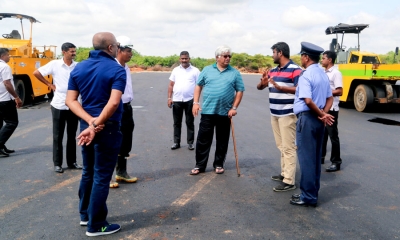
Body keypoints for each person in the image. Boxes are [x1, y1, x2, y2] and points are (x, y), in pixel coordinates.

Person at [65, 32, 125, 237]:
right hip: (106, 127)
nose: (118, 48)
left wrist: (89, 122)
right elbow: (114, 102)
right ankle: (96, 224)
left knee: (88, 172)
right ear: (110, 48)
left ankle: (85, 215)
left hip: (86, 127)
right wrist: (96, 123)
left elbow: (71, 101)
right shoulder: (116, 70)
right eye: (117, 45)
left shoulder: (78, 67)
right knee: (101, 176)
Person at [290, 42, 334, 207]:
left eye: (302, 56)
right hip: (318, 120)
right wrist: (323, 114)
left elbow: (307, 100)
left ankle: (307, 196)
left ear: (306, 57)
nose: (301, 59)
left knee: (307, 159)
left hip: (308, 118)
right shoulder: (323, 74)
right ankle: (311, 193)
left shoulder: (306, 75)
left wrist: (322, 114)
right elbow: (330, 98)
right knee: (315, 159)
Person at [190, 45, 245, 175]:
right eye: (225, 56)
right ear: (217, 57)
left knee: (222, 140)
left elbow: (240, 90)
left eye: (229, 56)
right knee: (203, 140)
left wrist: (234, 108)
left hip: (225, 113)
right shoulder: (207, 70)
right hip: (208, 111)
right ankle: (200, 165)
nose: (228, 58)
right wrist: (195, 103)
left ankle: (219, 164)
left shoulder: (235, 73)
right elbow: (198, 86)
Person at [257, 42, 302, 192]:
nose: (272, 55)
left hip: (287, 114)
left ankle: (289, 181)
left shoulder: (296, 70)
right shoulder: (273, 71)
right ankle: (284, 173)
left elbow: (301, 89)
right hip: (274, 114)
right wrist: (262, 82)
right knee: (281, 146)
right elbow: (260, 87)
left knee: (289, 148)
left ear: (280, 53)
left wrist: (282, 88)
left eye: (273, 52)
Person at [33, 42, 82, 173]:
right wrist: (49, 84)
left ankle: (72, 162)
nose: (74, 53)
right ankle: (57, 164)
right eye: (71, 51)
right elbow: (36, 72)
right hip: (59, 104)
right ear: (64, 52)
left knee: (72, 135)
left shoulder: (77, 66)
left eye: (74, 51)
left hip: (74, 105)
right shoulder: (55, 64)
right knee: (57, 136)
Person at [109, 36, 138, 188]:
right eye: (128, 51)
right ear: (119, 50)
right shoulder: (112, 66)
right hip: (114, 108)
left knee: (126, 141)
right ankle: (107, 177)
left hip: (127, 107)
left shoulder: (126, 67)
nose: (130, 54)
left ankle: (121, 172)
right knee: (111, 141)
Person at [167, 51, 200, 150]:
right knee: (177, 122)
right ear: (179, 59)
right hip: (177, 100)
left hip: (190, 100)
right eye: (182, 58)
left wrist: (196, 102)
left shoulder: (195, 71)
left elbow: (199, 86)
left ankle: (190, 143)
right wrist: (169, 98)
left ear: (189, 59)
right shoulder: (176, 70)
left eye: (186, 58)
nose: (184, 60)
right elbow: (171, 85)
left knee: (189, 122)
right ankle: (176, 142)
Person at [321, 51, 343, 172]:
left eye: (323, 58)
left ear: (329, 60)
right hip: (323, 108)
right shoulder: (323, 73)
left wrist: (325, 93)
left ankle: (336, 161)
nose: (321, 60)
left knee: (333, 136)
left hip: (332, 109)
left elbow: (339, 91)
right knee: (323, 134)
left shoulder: (336, 73)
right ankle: (321, 156)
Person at [0, 48, 22, 157]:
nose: (9, 57)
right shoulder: (4, 66)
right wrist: (16, 97)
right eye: (8, 55)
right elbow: (7, 83)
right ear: (2, 56)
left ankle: (1, 146)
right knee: (12, 122)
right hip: (4, 100)